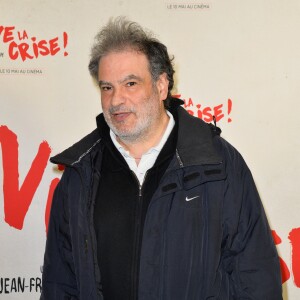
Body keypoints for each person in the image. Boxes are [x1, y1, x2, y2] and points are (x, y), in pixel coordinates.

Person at [41, 17, 282, 300]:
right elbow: (60, 283)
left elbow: (256, 279)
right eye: (107, 87)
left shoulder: (219, 166)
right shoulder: (79, 175)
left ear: (161, 86)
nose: (116, 100)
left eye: (130, 83)